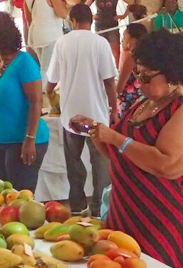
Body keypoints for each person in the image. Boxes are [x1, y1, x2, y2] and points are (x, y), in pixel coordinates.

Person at [69, 30, 183, 268]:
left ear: (171, 74)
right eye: (137, 74)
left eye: (147, 77)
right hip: (125, 209)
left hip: (160, 217)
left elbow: (167, 165)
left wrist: (118, 139)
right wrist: (93, 129)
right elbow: (116, 154)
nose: (139, 82)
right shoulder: (143, 104)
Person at [46, 3, 117, 217]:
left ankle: (77, 205)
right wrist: (113, 109)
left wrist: (50, 95)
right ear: (91, 20)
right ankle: (98, 207)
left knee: (73, 161)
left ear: (72, 21)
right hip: (97, 114)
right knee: (100, 162)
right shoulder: (101, 43)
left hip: (71, 115)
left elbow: (52, 80)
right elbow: (109, 81)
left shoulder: (62, 43)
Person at [0, 11, 49, 191]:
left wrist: (29, 139)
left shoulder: (24, 62)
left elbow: (36, 102)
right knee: (3, 198)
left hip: (21, 141)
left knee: (20, 199)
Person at [24, 0, 68, 84]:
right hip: (51, 37)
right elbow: (63, 14)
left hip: (36, 36)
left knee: (43, 68)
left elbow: (28, 19)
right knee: (47, 70)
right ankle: (43, 93)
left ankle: (43, 91)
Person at [116, 23, 147, 117]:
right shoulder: (147, 56)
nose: (122, 41)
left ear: (133, 41)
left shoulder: (132, 58)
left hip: (130, 103)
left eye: (124, 37)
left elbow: (119, 88)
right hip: (144, 101)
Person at [85, 0, 127, 65]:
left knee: (116, 53)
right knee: (100, 52)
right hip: (99, 27)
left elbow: (131, 3)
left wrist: (123, 16)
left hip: (112, 26)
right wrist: (92, 16)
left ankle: (118, 71)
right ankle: (101, 72)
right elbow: (85, 6)